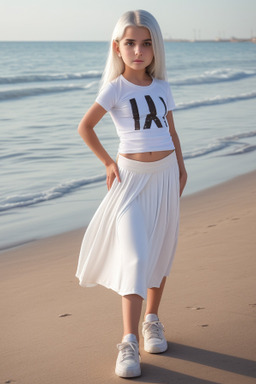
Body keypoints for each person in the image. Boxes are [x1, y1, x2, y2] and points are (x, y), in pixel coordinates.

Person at [76, 9, 187, 378]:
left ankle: (152, 320)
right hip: (131, 180)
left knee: (161, 251)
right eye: (130, 43)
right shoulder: (115, 88)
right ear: (117, 47)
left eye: (146, 43)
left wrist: (182, 168)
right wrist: (108, 163)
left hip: (167, 175)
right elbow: (86, 127)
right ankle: (128, 343)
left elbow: (171, 133)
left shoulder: (163, 87)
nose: (138, 50)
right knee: (137, 256)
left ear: (156, 48)